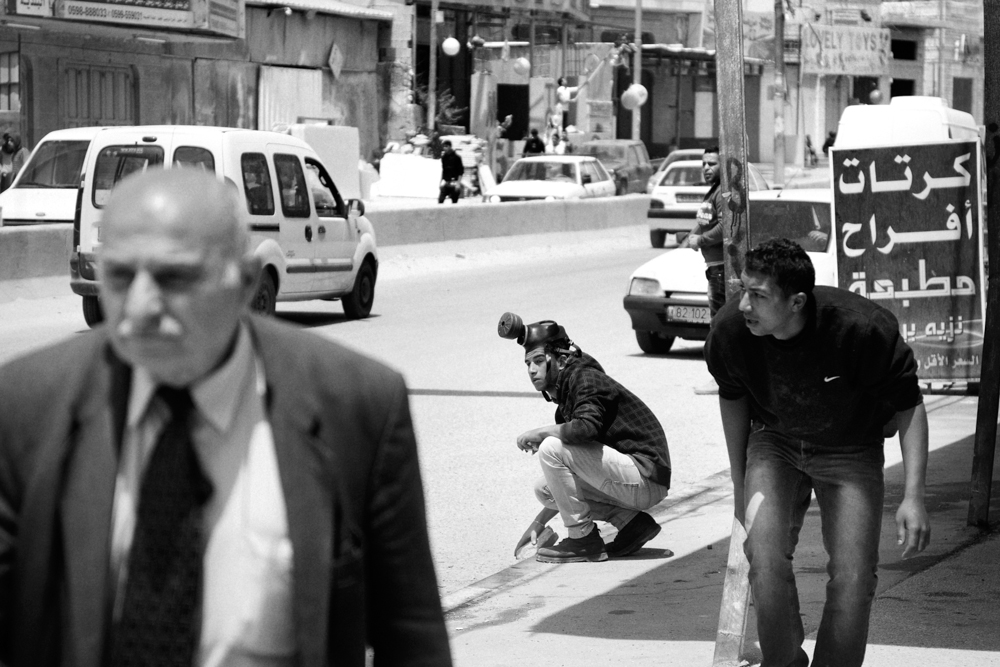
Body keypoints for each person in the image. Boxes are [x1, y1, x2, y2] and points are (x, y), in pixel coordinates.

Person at [0, 169, 453, 667]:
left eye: (175, 278)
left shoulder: (358, 404)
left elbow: (411, 634)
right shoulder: (25, 407)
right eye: (120, 276)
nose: (140, 308)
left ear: (245, 284)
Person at [705, 238, 930, 667]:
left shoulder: (861, 329)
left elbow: (908, 404)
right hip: (774, 442)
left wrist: (914, 496)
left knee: (853, 575)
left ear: (797, 302)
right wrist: (739, 486)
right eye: (743, 291)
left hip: (850, 448)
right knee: (764, 558)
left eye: (759, 296)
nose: (745, 306)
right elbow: (732, 397)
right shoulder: (731, 331)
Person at [498, 313, 672, 564]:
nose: (532, 370)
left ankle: (583, 540)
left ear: (560, 358)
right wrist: (538, 523)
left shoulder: (585, 378)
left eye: (538, 360)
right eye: (528, 364)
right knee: (545, 489)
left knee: (550, 447)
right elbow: (565, 484)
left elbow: (585, 428)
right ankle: (633, 524)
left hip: (646, 476)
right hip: (635, 481)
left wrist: (541, 432)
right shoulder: (568, 396)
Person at [682, 145, 725, 395]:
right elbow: (703, 222)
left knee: (718, 327)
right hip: (713, 269)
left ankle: (720, 378)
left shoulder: (722, 193)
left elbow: (726, 226)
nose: (707, 168)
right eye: (704, 164)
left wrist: (702, 240)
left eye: (712, 164)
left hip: (720, 269)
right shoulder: (713, 192)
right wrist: (692, 234)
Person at [438, 139, 464, 204]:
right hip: (446, 182)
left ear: (450, 147)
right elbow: (444, 170)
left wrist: (458, 183)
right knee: (440, 200)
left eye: (446, 146)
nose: (444, 148)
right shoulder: (444, 157)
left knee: (454, 201)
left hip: (454, 183)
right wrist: (441, 182)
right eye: (444, 147)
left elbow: (460, 171)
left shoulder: (457, 157)